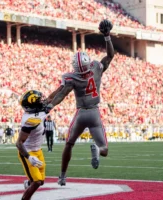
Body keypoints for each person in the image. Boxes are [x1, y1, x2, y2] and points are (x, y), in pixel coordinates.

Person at [45, 19, 114, 186]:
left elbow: (62, 94)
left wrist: (50, 105)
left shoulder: (72, 77)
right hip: (95, 113)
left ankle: (62, 177)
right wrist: (107, 37)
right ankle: (97, 149)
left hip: (81, 113)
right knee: (104, 149)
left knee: (69, 144)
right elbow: (110, 56)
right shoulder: (96, 68)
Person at [15, 90, 48, 200]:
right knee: (37, 182)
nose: (42, 102)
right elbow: (18, 143)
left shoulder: (40, 111)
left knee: (41, 181)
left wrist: (65, 86)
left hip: (38, 150)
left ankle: (29, 183)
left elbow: (55, 98)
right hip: (27, 151)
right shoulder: (30, 120)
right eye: (39, 101)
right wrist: (28, 157)